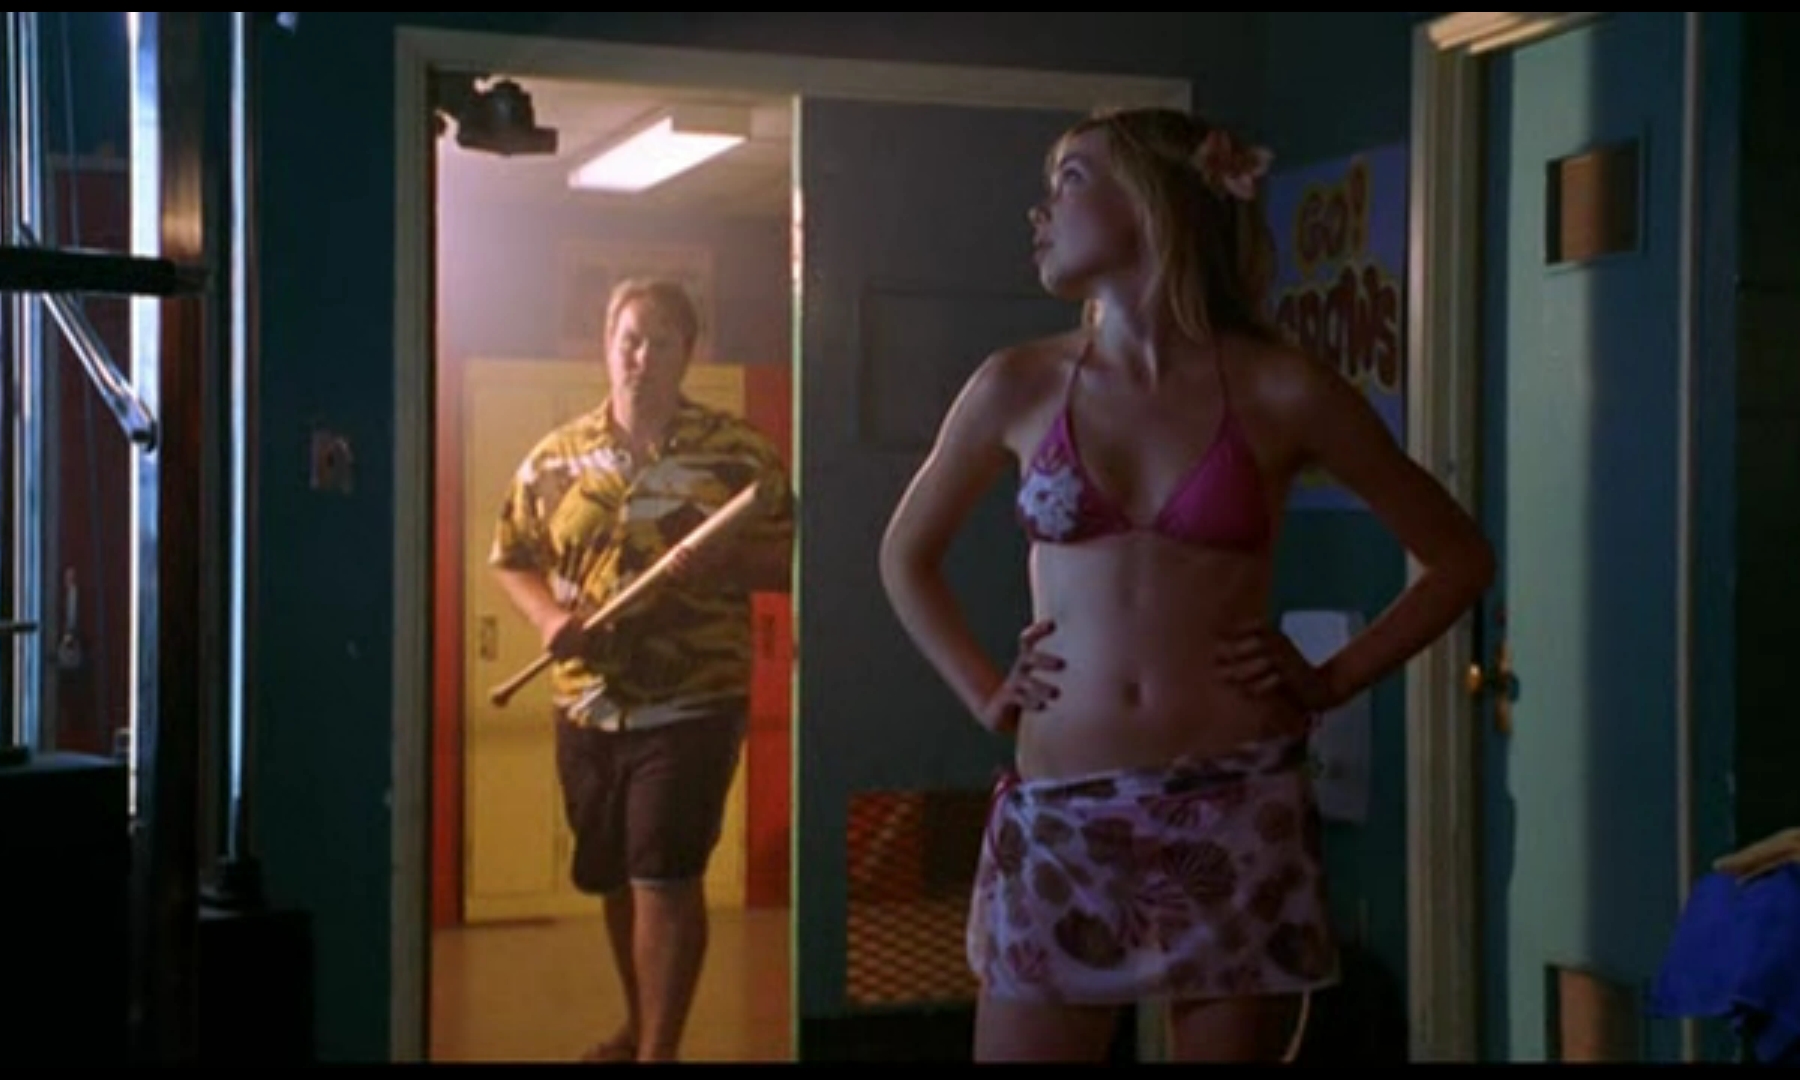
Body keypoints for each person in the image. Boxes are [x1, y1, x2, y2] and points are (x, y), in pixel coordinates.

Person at [877, 107, 1496, 1062]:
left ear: (1154, 201)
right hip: (1063, 815)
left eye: (1070, 180)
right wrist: (983, 689)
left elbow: (1458, 558)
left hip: (1236, 805)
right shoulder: (1016, 384)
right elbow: (905, 555)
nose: (1041, 211)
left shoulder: (1283, 388)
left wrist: (1331, 680)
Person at [488, 277, 795, 1063]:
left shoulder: (739, 455)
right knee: (616, 876)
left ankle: (658, 1051)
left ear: (688, 353)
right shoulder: (555, 458)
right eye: (631, 338)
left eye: (662, 341)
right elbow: (512, 558)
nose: (643, 356)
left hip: (694, 700)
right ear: (607, 344)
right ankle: (639, 1026)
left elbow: (798, 556)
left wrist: (730, 564)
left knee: (665, 871)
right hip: (586, 704)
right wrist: (549, 620)